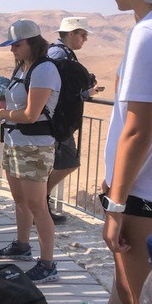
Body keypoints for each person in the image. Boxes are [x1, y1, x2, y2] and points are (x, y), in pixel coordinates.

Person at [95, 0, 152, 304]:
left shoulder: (149, 33)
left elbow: (139, 129)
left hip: (141, 197)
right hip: (151, 193)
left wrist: (115, 205)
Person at [0, 19, 61, 283]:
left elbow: (31, 114)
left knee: (37, 205)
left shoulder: (44, 70)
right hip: (15, 142)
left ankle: (48, 263)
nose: (12, 50)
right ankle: (22, 245)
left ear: (32, 42)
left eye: (16, 45)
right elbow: (14, 102)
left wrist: (2, 113)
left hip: (35, 146)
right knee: (20, 198)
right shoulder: (22, 67)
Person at [46, 17, 102, 224]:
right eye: (83, 34)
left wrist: (84, 91)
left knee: (61, 162)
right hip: (57, 121)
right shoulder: (59, 55)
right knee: (68, 162)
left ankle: (41, 202)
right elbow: (60, 92)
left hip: (57, 119)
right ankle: (41, 201)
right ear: (71, 34)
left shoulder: (62, 54)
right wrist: (85, 93)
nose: (85, 39)